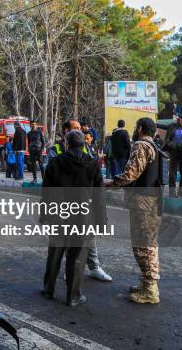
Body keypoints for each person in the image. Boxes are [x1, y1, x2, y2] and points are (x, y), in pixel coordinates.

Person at [41, 130, 106, 307]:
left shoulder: (55, 162)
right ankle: (73, 296)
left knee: (55, 253)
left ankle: (49, 289)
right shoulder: (93, 164)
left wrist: (43, 216)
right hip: (83, 217)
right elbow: (99, 197)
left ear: (66, 144)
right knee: (77, 258)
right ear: (84, 145)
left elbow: (47, 192)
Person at [48, 119, 112, 282]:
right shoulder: (55, 151)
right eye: (75, 129)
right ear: (65, 132)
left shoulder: (86, 148)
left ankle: (94, 267)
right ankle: (65, 273)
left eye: (80, 129)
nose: (80, 132)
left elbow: (93, 172)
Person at [109, 118, 162, 304]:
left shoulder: (140, 145)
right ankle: (148, 283)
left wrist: (112, 183)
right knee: (148, 243)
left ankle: (150, 290)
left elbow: (131, 174)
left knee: (144, 245)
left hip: (143, 201)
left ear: (139, 128)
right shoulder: (153, 145)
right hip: (152, 199)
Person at [163, 116, 182, 197]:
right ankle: (172, 193)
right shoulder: (172, 126)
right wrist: (171, 145)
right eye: (180, 120)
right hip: (174, 152)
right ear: (178, 120)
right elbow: (168, 140)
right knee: (173, 173)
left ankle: (181, 191)